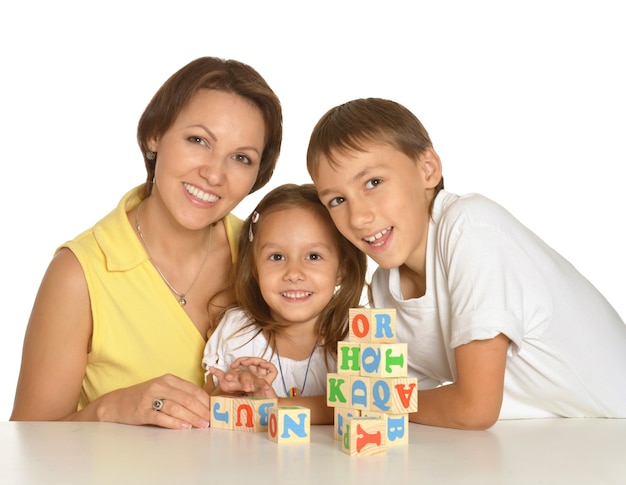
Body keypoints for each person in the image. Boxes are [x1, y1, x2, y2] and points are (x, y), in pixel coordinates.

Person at [306, 97, 626, 430]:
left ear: (427, 169)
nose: (358, 217)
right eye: (337, 200)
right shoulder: (386, 286)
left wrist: (365, 397)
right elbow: (398, 398)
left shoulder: (470, 227)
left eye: (373, 182)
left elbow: (472, 409)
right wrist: (276, 405)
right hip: (558, 440)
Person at [10, 56, 283, 429]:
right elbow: (25, 444)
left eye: (241, 157)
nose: (214, 174)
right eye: (198, 140)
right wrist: (107, 410)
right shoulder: (79, 274)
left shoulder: (269, 252)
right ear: (155, 135)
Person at [202, 183, 367, 424]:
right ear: (255, 268)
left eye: (313, 256)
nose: (294, 273)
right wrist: (231, 391)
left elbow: (363, 407)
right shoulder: (235, 332)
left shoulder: (357, 337)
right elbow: (207, 408)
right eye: (277, 257)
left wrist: (271, 406)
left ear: (342, 269)